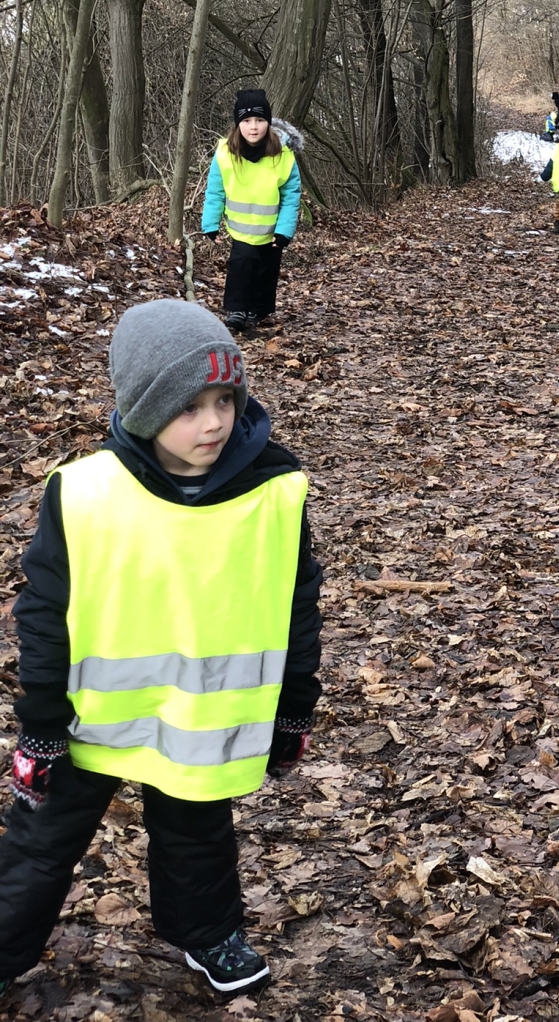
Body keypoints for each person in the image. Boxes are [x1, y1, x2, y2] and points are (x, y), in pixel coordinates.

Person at [0, 300, 323, 998]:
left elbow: (297, 606)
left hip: (198, 722)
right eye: (188, 406)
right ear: (144, 410)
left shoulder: (274, 491)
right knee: (38, 846)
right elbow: (44, 616)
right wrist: (40, 725)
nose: (214, 422)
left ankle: (208, 934)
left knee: (197, 833)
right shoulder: (84, 494)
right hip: (86, 721)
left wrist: (295, 707)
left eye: (225, 400)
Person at [202, 89, 302, 335]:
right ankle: (237, 310)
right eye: (246, 120)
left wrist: (285, 230)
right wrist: (210, 223)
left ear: (268, 122)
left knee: (267, 271)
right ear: (238, 123)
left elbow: (291, 195)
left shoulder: (283, 154)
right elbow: (215, 190)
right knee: (241, 266)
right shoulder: (225, 153)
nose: (253, 127)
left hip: (272, 229)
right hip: (241, 228)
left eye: (259, 120)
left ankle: (259, 311)